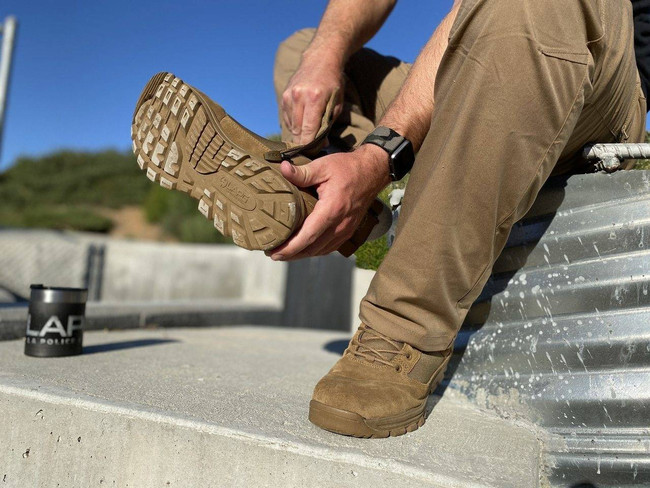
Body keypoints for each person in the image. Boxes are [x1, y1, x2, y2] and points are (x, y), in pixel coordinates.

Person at [132, 0, 648, 438]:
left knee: (520, 10)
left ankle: (404, 325)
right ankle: (335, 205)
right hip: (492, 45)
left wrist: (382, 154)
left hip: (596, 75)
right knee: (307, 51)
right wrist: (324, 58)